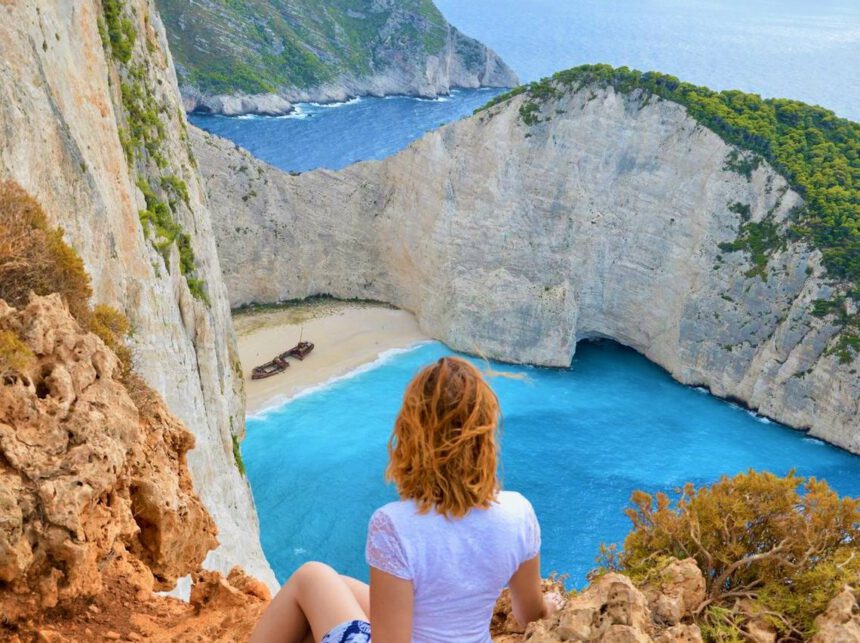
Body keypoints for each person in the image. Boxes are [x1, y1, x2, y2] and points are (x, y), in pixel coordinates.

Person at [250, 356, 557, 643]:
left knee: (311, 576)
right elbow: (529, 615)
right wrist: (552, 609)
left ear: (412, 436)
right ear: (484, 438)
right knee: (339, 583)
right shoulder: (519, 512)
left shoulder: (394, 524)